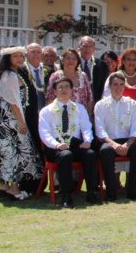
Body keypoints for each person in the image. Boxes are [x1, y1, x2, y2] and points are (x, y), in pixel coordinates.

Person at [0, 46, 43, 201]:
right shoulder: (10, 76)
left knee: (8, 154)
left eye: (21, 56)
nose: (20, 59)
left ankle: (4, 186)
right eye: (15, 56)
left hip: (7, 121)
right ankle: (13, 188)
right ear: (8, 59)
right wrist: (21, 122)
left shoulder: (8, 74)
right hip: (11, 122)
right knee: (16, 154)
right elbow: (13, 102)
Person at [39, 76, 99, 207]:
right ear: (54, 91)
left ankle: (91, 192)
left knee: (90, 154)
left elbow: (86, 127)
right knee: (66, 156)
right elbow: (44, 133)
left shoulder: (79, 108)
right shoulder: (46, 111)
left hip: (74, 143)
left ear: (72, 90)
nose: (64, 90)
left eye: (67, 87)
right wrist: (56, 145)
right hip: (54, 146)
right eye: (60, 87)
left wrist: (88, 140)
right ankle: (66, 194)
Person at [94, 72, 136, 201]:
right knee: (105, 151)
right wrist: (114, 145)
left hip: (127, 140)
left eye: (121, 84)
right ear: (109, 86)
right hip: (109, 141)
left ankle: (133, 190)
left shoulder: (132, 104)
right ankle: (111, 192)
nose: (118, 87)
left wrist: (127, 144)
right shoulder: (100, 105)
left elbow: (135, 129)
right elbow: (100, 130)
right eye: (115, 84)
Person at [46, 48, 93, 114]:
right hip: (60, 115)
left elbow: (89, 98)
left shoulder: (83, 76)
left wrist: (90, 115)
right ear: (62, 60)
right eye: (68, 58)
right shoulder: (56, 76)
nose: (71, 61)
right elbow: (49, 97)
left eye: (74, 59)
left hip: (81, 115)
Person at [78, 36, 109, 103]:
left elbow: (104, 87)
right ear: (79, 46)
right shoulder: (73, 63)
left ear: (94, 49)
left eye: (90, 46)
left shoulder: (102, 65)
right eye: (85, 46)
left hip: (96, 104)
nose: (87, 49)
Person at [23, 42, 52, 110]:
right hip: (27, 111)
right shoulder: (21, 71)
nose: (36, 54)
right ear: (26, 54)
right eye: (33, 52)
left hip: (45, 112)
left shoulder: (49, 71)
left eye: (38, 52)